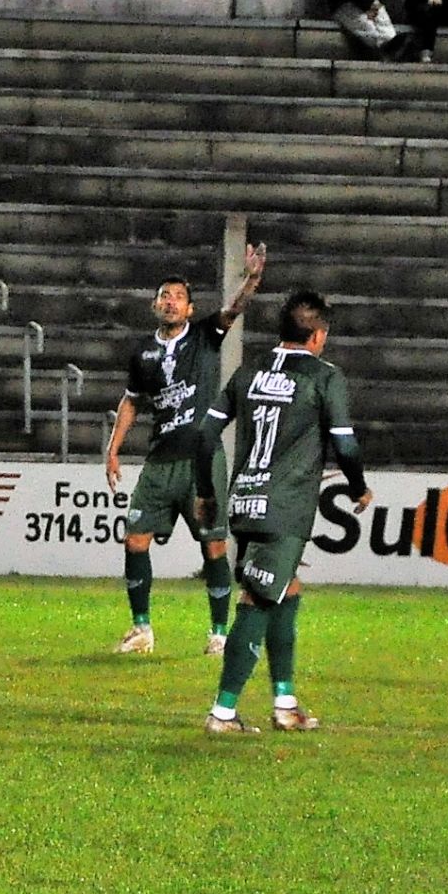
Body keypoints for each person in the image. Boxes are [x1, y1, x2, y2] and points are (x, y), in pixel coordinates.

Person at [194, 290, 372, 733]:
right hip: (285, 507)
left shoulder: (248, 371)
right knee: (257, 599)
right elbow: (345, 442)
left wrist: (207, 493)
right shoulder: (324, 376)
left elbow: (205, 434)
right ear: (317, 335)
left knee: (285, 591)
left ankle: (285, 704)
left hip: (245, 501)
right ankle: (223, 712)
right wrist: (358, 486)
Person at [106, 243, 266, 658]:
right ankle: (142, 629)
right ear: (153, 304)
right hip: (159, 462)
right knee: (135, 539)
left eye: (178, 297)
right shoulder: (142, 352)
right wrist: (113, 450)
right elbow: (131, 402)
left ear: (191, 309)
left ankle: (218, 633)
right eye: (165, 296)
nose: (171, 302)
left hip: (202, 460)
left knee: (213, 546)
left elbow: (233, 309)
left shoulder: (205, 336)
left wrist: (251, 280)